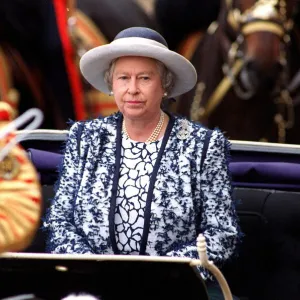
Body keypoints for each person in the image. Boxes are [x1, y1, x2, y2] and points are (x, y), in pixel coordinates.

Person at [43, 27, 240, 299]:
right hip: (91, 289)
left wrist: (163, 275)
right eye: (124, 78)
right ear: (112, 84)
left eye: (144, 78)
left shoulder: (203, 146)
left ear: (165, 85)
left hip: (172, 291)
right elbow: (60, 221)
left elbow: (222, 234)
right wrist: (91, 271)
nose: (132, 89)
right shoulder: (84, 138)